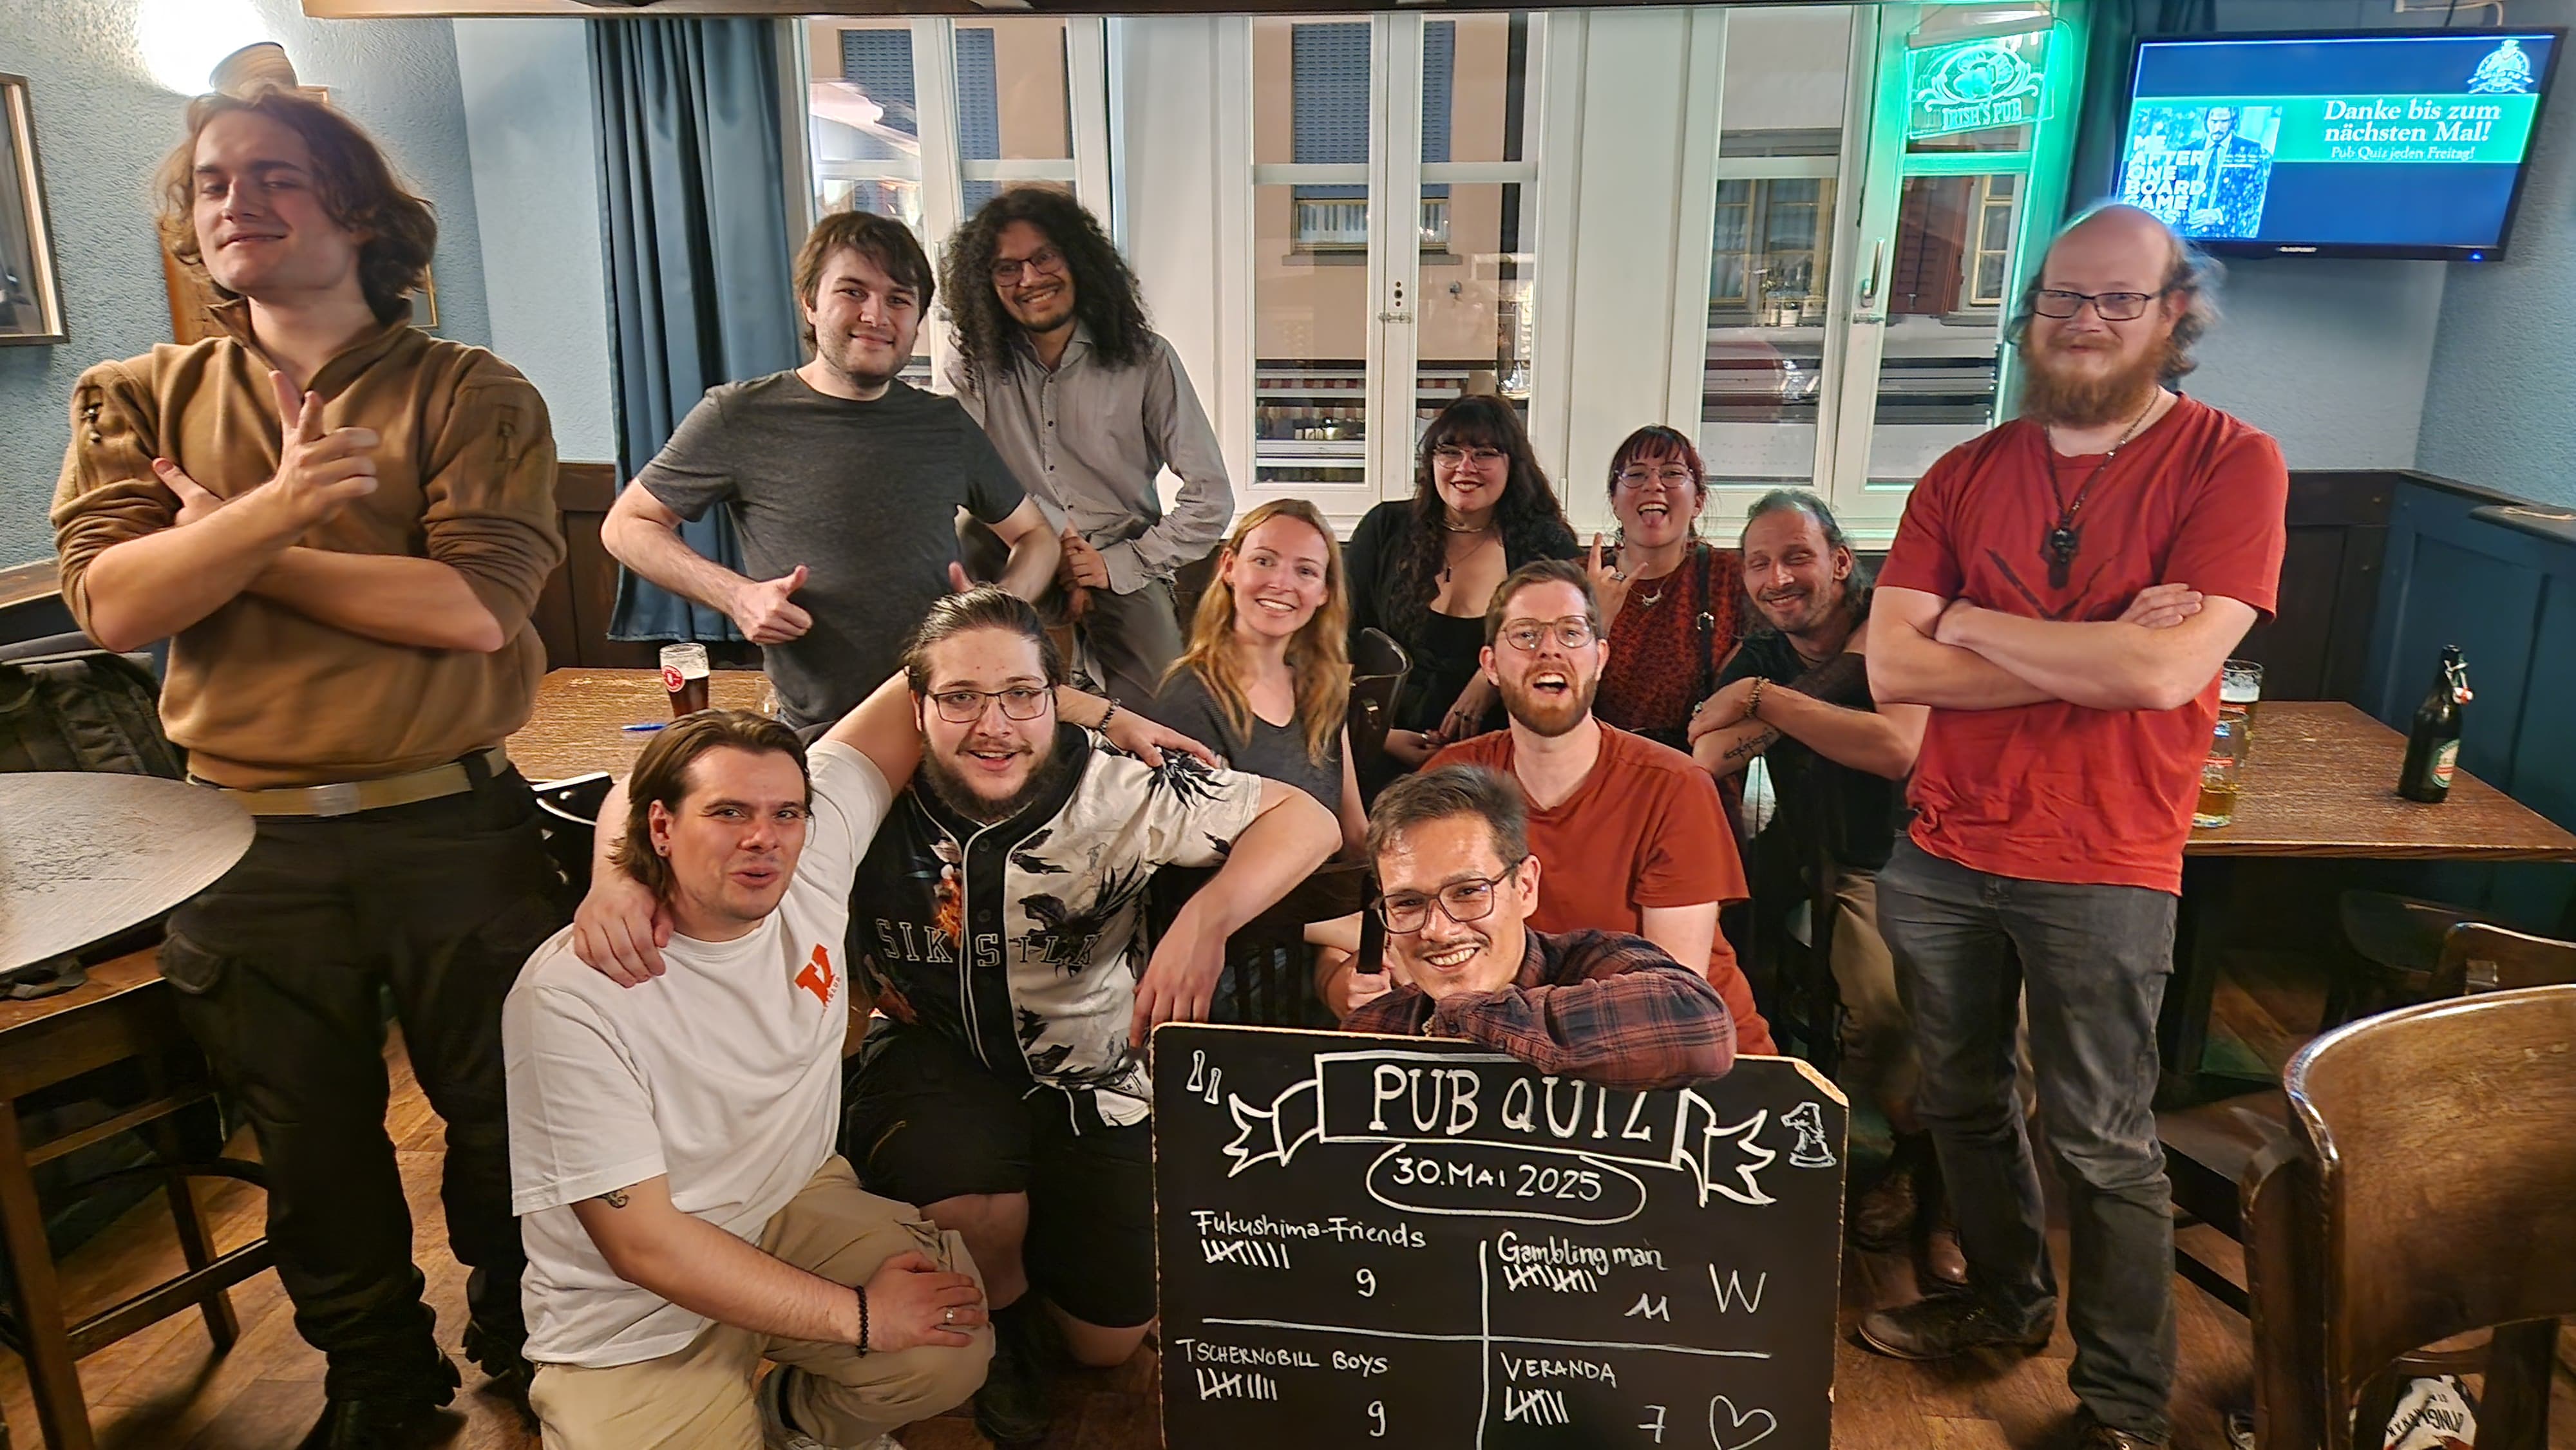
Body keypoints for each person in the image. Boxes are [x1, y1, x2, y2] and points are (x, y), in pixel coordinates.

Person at [50, 87, 565, 1447]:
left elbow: (474, 609)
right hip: (242, 842)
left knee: (508, 1121)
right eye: (214, 182)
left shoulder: (470, 391)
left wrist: (236, 543)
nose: (238, 202)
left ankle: (528, 1343)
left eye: (276, 174)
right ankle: (379, 1385)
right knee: (312, 1147)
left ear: (359, 212)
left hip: (453, 828)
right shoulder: (134, 397)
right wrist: (282, 506)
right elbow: (113, 605)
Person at [1859, 204, 2288, 1450]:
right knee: (1961, 1102)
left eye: (2117, 298)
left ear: (2174, 315)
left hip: (2107, 861)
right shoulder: (1962, 473)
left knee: (2101, 1138)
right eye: (2062, 295)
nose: (2084, 319)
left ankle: (2124, 1405)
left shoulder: (2232, 462)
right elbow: (1893, 667)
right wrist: (2088, 647)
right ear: (2030, 309)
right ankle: (2004, 1305)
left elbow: (2163, 676)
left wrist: (1968, 622)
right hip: (1943, 851)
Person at [842, 590, 1335, 1444]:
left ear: (1055, 699)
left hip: (1094, 1067)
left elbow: (1309, 820)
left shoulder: (1120, 784)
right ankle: (1002, 1321)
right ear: (915, 707)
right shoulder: (869, 788)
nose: (993, 725)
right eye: (960, 698)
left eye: (1021, 695)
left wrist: (1205, 920)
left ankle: (1033, 1242)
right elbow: (702, 798)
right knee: (977, 1208)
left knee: (1106, 1344)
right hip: (936, 1055)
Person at [506, 692, 992, 1450]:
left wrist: (1103, 714)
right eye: (727, 812)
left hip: (786, 1200)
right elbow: (644, 1247)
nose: (763, 837)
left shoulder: (808, 862)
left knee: (948, 1335)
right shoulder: (574, 994)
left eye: (785, 813)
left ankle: (793, 1427)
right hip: (633, 1308)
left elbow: (927, 684)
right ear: (660, 827)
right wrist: (863, 1315)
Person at [602, 209, 1061, 739]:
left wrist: (999, 611)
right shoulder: (739, 415)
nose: (876, 315)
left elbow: (1035, 536)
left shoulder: (945, 423)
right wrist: (737, 596)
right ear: (810, 303)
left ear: (917, 320)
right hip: (819, 731)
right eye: (853, 292)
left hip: (944, 722)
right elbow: (626, 526)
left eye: (898, 299)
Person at [1681, 491, 1949, 1281]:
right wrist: (1808, 698)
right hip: (1824, 859)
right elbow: (1706, 750)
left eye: (1796, 556)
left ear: (1838, 560)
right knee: (1862, 1010)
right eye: (1758, 563)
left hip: (1924, 852)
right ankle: (1880, 1148)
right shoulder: (1766, 649)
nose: (1777, 578)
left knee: (1933, 1020)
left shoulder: (1892, 626)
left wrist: (1766, 702)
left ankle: (1940, 1181)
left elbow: (1894, 747)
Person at [1387, 560, 1776, 1056]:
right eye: (1525, 635)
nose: (1549, 649)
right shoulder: (1452, 778)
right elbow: (1422, 942)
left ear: (1599, 658)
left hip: (1697, 1057)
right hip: (1517, 1050)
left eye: (1571, 633)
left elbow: (1667, 1005)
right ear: (1490, 665)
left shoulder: (1675, 786)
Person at [942, 188, 1231, 708]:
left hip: (1120, 554)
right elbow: (959, 472)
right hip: (1005, 543)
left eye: (1044, 257)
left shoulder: (1147, 359)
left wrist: (1119, 562)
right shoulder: (971, 364)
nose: (1029, 279)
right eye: (1007, 268)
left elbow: (1211, 498)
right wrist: (1055, 531)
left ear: (1078, 260)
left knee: (1164, 712)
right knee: (974, 685)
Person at [1341, 766, 1734, 1091]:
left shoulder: (1599, 961)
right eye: (1408, 903)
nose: (1439, 931)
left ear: (1526, 887)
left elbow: (1699, 1025)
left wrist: (1460, 1015)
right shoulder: (1374, 1028)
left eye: (1469, 892)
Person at [1344, 395, 1578, 782]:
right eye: (1450, 452)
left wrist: (1490, 677)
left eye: (1484, 454)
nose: (1465, 467)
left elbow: (1561, 652)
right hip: (1380, 747)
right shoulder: (1385, 528)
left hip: (1500, 757)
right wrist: (1381, 734)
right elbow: (1341, 642)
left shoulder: (1544, 544)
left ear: (1513, 465)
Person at [1149, 498, 1367, 851]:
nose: (1281, 583)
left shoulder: (1322, 688)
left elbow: (1355, 832)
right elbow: (1198, 855)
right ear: (1229, 567)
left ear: (1324, 592)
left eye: (1305, 571)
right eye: (1264, 561)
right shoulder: (1191, 696)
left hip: (1331, 883)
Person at [1582, 426, 1744, 751]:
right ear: (1614, 501)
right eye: (1636, 475)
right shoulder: (1575, 579)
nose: (1653, 485)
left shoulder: (1730, 577)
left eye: (1672, 473)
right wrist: (1594, 622)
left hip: (1697, 770)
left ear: (1698, 501)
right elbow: (1549, 695)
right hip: (1595, 768)